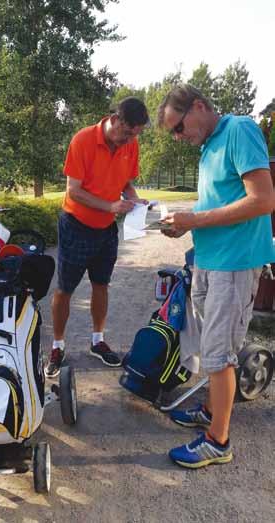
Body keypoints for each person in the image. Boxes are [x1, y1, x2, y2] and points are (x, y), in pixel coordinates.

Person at [157, 84, 274, 468]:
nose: (178, 137)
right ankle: (211, 412)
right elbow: (220, 204)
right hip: (210, 260)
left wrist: (195, 219)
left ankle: (218, 442)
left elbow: (263, 199)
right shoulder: (209, 146)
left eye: (179, 126)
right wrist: (185, 224)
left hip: (234, 263)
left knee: (218, 354)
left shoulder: (239, 129)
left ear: (200, 106)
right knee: (213, 346)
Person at [45, 97, 151, 378]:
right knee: (65, 289)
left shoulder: (131, 144)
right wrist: (111, 206)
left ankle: (97, 340)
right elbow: (74, 191)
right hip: (76, 225)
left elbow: (127, 182)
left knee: (101, 285)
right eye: (128, 132)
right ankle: (57, 345)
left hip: (106, 230)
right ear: (115, 119)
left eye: (136, 135)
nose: (131, 140)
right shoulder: (83, 140)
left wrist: (135, 201)